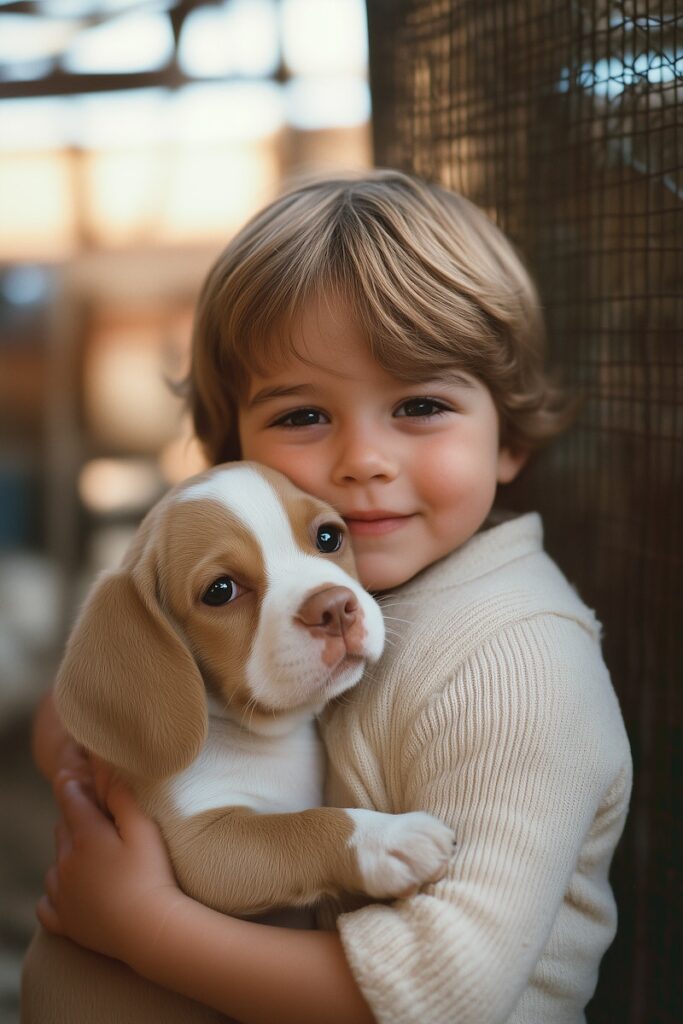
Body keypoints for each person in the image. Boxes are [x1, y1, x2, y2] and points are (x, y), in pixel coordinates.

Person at [33, 170, 632, 1024]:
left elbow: (450, 993)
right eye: (304, 417)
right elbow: (92, 693)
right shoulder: (321, 587)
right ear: (226, 442)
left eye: (420, 404)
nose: (363, 461)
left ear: (509, 435)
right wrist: (85, 759)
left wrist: (143, 925)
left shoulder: (518, 660)